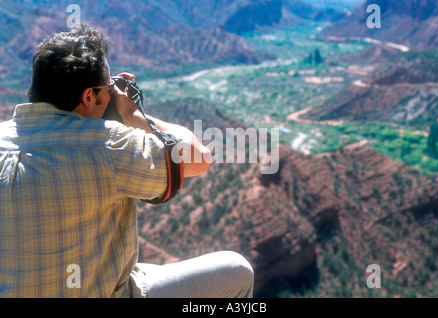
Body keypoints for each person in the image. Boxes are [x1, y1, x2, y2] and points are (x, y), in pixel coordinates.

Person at [0, 24, 254, 298]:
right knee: (237, 271)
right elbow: (198, 156)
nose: (112, 93)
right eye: (108, 88)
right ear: (88, 96)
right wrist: (133, 116)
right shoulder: (108, 145)